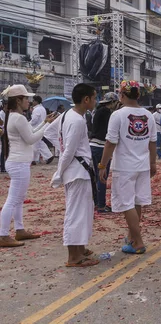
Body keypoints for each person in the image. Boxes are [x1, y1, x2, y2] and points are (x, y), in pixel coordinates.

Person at [99, 81, 157, 254]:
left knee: (126, 203)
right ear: (138, 95)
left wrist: (103, 164)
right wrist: (153, 163)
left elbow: (110, 142)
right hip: (142, 165)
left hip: (124, 166)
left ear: (122, 95)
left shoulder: (117, 115)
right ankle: (132, 237)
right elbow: (153, 142)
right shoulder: (148, 115)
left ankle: (138, 242)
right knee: (136, 202)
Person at [0, 85, 58, 247]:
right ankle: (3, 234)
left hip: (17, 161)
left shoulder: (14, 116)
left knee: (17, 199)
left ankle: (19, 230)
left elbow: (29, 133)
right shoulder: (18, 118)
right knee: (13, 200)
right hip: (19, 163)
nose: (28, 102)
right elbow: (31, 139)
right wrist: (46, 125)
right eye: (26, 98)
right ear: (18, 100)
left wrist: (44, 123)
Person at [51, 83, 99, 267]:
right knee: (76, 213)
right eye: (94, 97)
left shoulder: (67, 115)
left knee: (82, 212)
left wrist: (61, 147)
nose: (95, 101)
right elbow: (69, 151)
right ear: (86, 99)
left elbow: (51, 132)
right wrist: (59, 172)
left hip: (77, 169)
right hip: (77, 171)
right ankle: (73, 256)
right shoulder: (77, 120)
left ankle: (79, 249)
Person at [89, 92, 119, 213]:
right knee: (102, 176)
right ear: (112, 103)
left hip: (93, 145)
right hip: (101, 146)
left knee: (96, 176)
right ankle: (101, 205)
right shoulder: (107, 113)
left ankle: (96, 202)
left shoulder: (97, 111)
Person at [30, 95, 54, 165]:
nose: (32, 102)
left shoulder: (37, 109)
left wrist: (27, 123)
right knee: (39, 144)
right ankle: (46, 156)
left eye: (33, 100)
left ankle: (35, 159)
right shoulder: (42, 108)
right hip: (41, 127)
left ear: (36, 101)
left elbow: (34, 120)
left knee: (35, 144)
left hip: (37, 128)